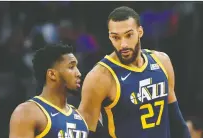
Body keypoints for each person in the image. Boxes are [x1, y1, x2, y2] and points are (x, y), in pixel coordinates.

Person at [78, 6, 191, 138]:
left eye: (129, 35)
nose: (123, 44)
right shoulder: (100, 76)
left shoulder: (162, 61)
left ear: (140, 32)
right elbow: (83, 129)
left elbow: (175, 118)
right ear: (109, 37)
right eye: (116, 37)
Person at [9, 43, 88, 138]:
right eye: (71, 67)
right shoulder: (27, 112)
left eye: (77, 67)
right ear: (52, 74)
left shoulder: (80, 117)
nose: (78, 73)